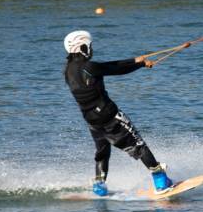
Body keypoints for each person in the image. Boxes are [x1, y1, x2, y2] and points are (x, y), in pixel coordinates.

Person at [63, 30, 173, 196]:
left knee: (102, 152)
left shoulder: (68, 71)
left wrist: (135, 60)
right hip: (109, 115)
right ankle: (160, 180)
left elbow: (107, 66)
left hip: (91, 119)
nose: (91, 49)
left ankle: (99, 186)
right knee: (138, 144)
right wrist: (141, 64)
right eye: (89, 46)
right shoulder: (90, 67)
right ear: (82, 47)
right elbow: (115, 69)